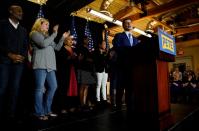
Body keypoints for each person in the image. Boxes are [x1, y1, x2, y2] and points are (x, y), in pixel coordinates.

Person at [29, 18, 69, 120]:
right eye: (46, 24)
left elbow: (57, 48)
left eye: (48, 24)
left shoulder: (48, 36)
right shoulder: (34, 33)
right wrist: (54, 34)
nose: (48, 26)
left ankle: (47, 110)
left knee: (53, 86)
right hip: (40, 65)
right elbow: (43, 44)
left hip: (50, 67)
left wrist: (62, 38)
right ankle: (39, 113)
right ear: (39, 24)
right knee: (39, 89)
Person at [0, 5, 28, 122]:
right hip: (4, 62)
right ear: (10, 11)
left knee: (15, 89)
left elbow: (25, 46)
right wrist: (9, 54)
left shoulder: (23, 30)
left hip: (19, 64)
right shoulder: (2, 24)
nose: (21, 13)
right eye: (18, 11)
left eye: (22, 11)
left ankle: (11, 114)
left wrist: (22, 57)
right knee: (2, 87)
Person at [111, 18, 139, 110]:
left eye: (130, 23)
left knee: (130, 88)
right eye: (126, 23)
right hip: (122, 67)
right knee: (120, 88)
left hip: (132, 67)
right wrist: (130, 50)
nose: (128, 24)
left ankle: (130, 106)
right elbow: (117, 47)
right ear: (123, 25)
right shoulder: (118, 36)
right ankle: (118, 107)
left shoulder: (135, 39)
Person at [93, 40, 109, 108]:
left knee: (104, 85)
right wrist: (102, 54)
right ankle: (98, 100)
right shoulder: (96, 52)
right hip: (99, 70)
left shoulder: (105, 53)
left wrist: (107, 54)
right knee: (98, 85)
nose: (105, 45)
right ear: (100, 45)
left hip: (105, 71)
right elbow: (96, 61)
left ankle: (104, 100)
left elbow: (107, 61)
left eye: (105, 44)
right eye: (103, 44)